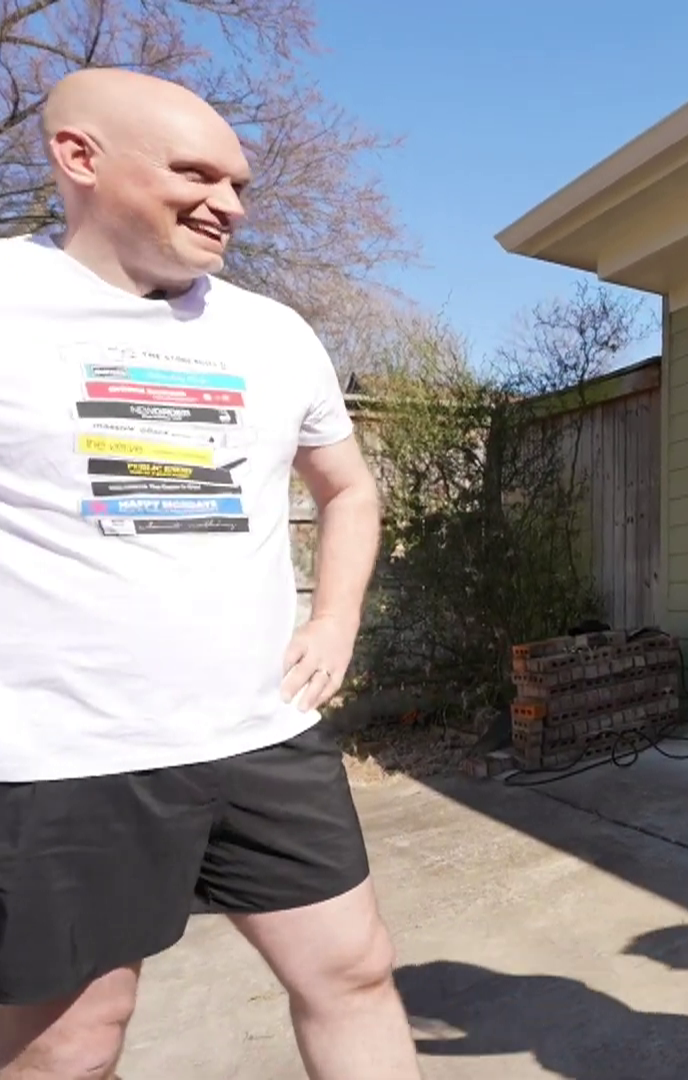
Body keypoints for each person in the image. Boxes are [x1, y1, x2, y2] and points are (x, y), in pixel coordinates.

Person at [0, 70, 417, 1079]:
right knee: (74, 1042)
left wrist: (336, 621)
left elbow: (348, 489)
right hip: (65, 754)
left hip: (261, 732)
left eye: (239, 184)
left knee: (356, 972)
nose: (228, 203)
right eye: (195, 174)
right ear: (79, 157)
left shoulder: (271, 334)